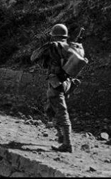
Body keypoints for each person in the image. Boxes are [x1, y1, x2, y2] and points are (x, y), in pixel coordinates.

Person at [30, 23, 81, 153]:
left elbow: (33, 57)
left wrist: (45, 47)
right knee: (49, 110)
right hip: (67, 83)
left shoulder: (53, 46)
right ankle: (61, 136)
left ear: (53, 36)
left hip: (55, 83)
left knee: (61, 113)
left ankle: (67, 144)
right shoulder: (73, 47)